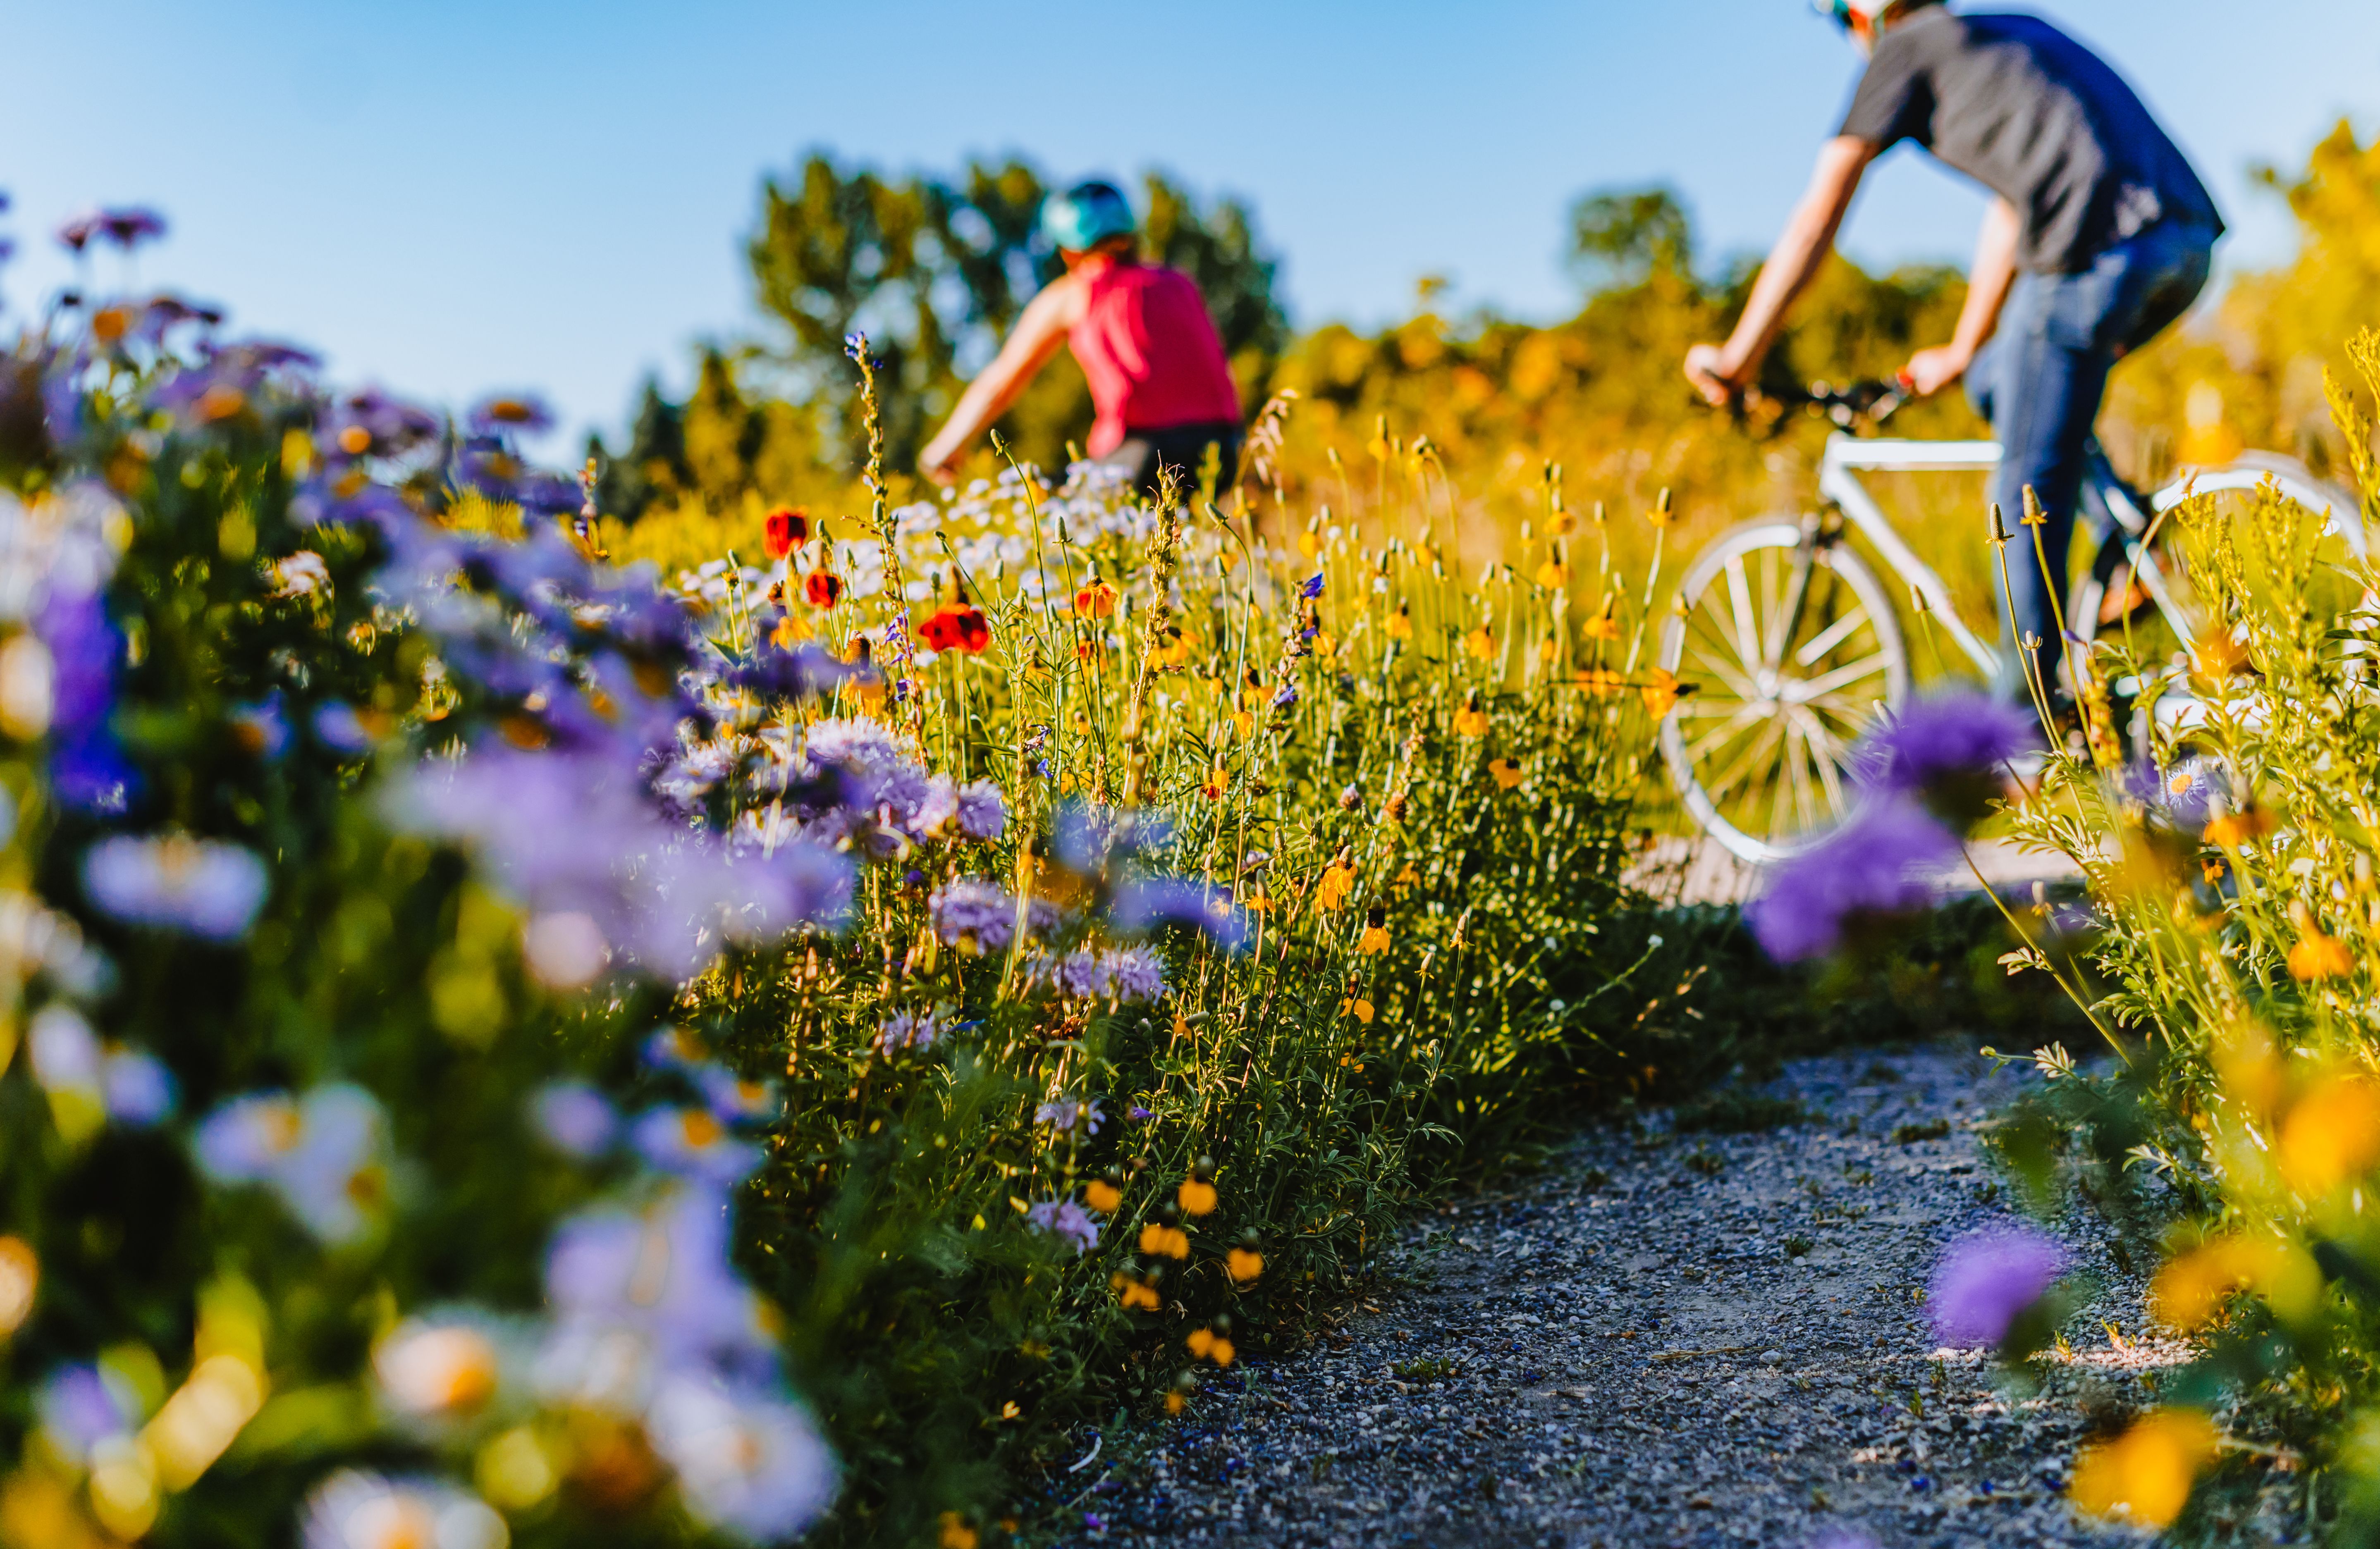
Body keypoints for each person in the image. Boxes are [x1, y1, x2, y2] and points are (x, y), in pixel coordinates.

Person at [1684, 0, 2221, 704]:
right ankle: (2131, 546)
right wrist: (1965, 347)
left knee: (2023, 487)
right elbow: (2015, 206)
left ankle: (2030, 716)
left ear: (1862, 15)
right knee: (1997, 379)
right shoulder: (2002, 32)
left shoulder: (1901, 49)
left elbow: (1817, 217)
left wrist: (1739, 358)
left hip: (2095, 253)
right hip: (2182, 243)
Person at [919, 180, 1244, 501]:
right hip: (1224, 450)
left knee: (1045, 508)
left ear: (1069, 249)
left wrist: (943, 449)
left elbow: (1001, 380)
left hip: (1142, 456)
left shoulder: (1076, 293)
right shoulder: (1180, 283)